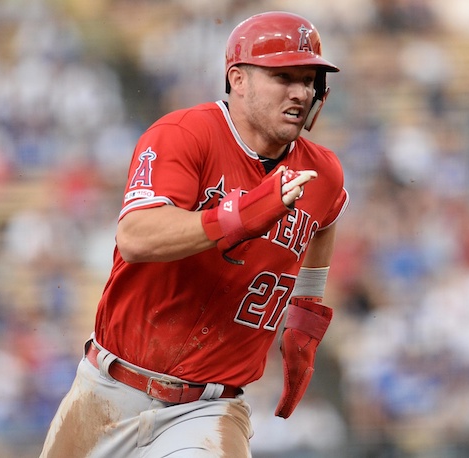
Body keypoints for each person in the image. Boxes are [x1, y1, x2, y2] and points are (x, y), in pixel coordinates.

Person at [40, 10, 349, 457]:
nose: (301, 91)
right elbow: (137, 236)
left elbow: (330, 213)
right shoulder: (186, 134)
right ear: (238, 79)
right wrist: (236, 217)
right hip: (109, 389)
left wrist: (305, 311)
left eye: (309, 79)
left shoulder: (322, 171)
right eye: (284, 76)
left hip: (208, 410)